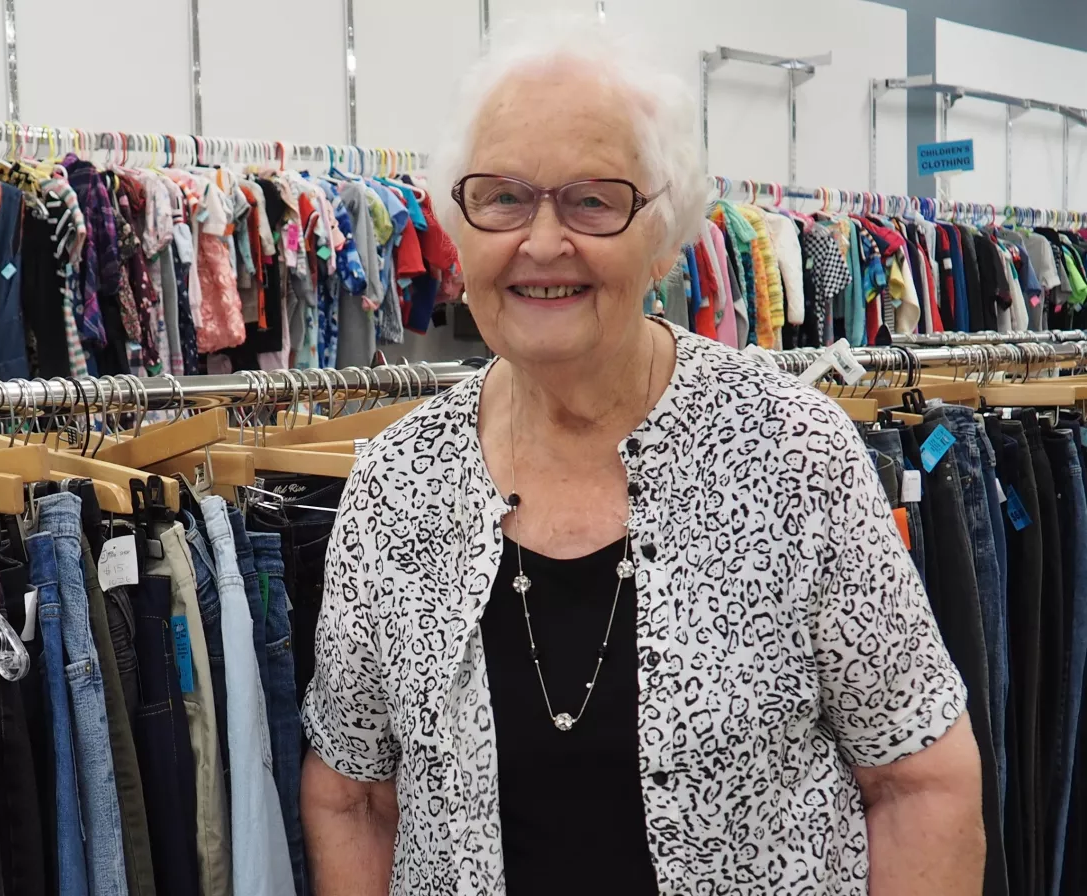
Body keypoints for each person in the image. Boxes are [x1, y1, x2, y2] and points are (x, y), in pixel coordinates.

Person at [300, 14, 985, 896]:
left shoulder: (795, 456)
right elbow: (354, 796)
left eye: (594, 199)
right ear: (457, 228)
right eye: (503, 197)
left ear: (665, 232)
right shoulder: (396, 484)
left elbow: (917, 781)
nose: (543, 244)